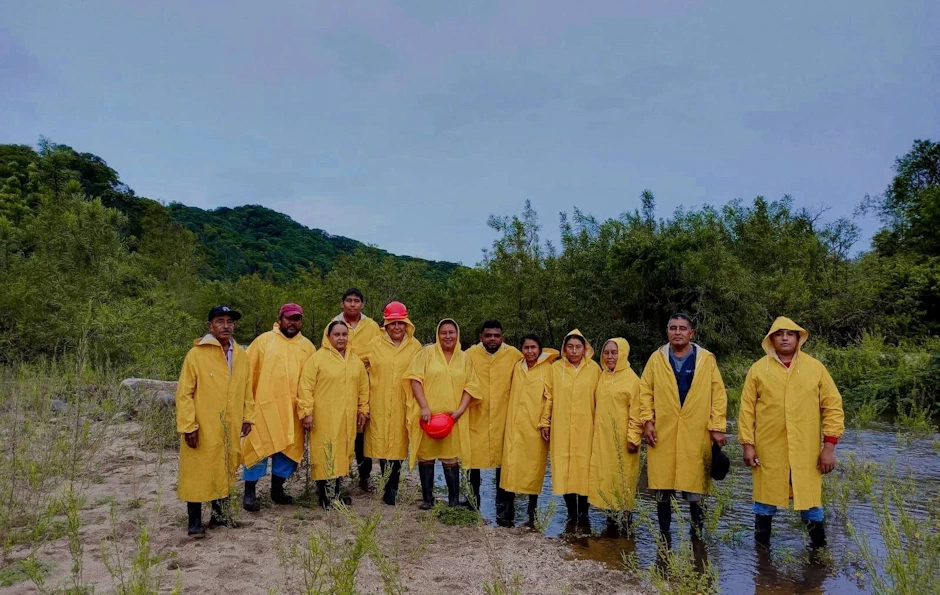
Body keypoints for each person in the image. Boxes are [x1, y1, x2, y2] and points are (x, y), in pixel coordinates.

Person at [738, 316, 844, 549]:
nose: (784, 338)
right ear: (771, 339)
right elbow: (746, 411)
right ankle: (762, 559)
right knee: (765, 502)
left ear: (799, 338)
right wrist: (748, 444)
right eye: (779, 334)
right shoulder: (758, 369)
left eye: (790, 333)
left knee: (811, 503)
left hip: (806, 451)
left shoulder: (815, 368)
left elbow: (833, 406)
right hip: (768, 449)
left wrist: (829, 447)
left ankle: (817, 558)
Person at [640, 313, 728, 547]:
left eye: (682, 328)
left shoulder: (706, 359)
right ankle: (664, 535)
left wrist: (717, 427)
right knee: (662, 484)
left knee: (696, 485)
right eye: (672, 328)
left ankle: (696, 538)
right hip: (663, 431)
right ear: (667, 332)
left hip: (696, 431)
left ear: (692, 333)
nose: (677, 332)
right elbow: (645, 392)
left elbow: (718, 395)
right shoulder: (656, 359)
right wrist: (647, 422)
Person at [175, 306, 254, 536]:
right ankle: (195, 521)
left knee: (226, 465)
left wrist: (248, 416)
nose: (226, 325)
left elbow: (247, 389)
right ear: (210, 326)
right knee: (197, 471)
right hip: (203, 424)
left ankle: (220, 517)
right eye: (220, 321)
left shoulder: (240, 355)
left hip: (230, 424)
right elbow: (184, 393)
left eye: (230, 321)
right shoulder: (196, 354)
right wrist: (188, 426)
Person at [240, 303, 316, 511]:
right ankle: (249, 493)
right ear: (280, 318)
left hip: (293, 409)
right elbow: (246, 373)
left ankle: (277, 490)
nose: (292, 323)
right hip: (264, 407)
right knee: (257, 447)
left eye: (297, 319)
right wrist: (245, 407)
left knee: (287, 449)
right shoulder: (264, 341)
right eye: (289, 318)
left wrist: (307, 409)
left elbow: (311, 380)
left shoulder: (308, 347)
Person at [404, 319, 481, 509]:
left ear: (457, 334)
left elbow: (471, 386)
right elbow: (415, 379)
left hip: (452, 418)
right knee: (426, 456)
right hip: (428, 416)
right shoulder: (426, 354)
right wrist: (424, 406)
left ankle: (453, 501)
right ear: (438, 335)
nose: (447, 336)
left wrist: (460, 411)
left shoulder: (465, 358)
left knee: (450, 457)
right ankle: (428, 500)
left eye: (451, 332)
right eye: (443, 332)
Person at [300, 320, 370, 508]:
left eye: (344, 334)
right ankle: (325, 496)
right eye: (336, 334)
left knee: (342, 452)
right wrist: (307, 412)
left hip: (347, 416)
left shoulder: (355, 360)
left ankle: (337, 493)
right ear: (328, 337)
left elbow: (364, 387)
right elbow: (305, 387)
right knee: (325, 452)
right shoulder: (317, 359)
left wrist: (363, 409)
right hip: (324, 416)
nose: (341, 338)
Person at [360, 302, 423, 505]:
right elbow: (357, 365)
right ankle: (385, 485)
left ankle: (392, 487)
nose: (397, 327)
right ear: (385, 325)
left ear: (407, 324)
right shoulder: (374, 344)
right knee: (380, 443)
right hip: (378, 400)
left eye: (401, 323)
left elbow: (425, 373)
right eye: (392, 323)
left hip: (404, 401)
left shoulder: (416, 347)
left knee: (398, 443)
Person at [322, 288, 381, 492]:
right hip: (338, 384)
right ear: (342, 303)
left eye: (357, 301)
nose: (353, 304)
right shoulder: (334, 324)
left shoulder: (372, 326)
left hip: (365, 381)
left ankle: (364, 476)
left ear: (363, 304)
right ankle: (334, 475)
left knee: (362, 429)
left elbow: (379, 352)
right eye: (349, 300)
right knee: (338, 429)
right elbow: (326, 352)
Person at [499, 334, 559, 527]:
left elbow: (549, 398)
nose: (530, 351)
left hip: (534, 427)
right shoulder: (518, 367)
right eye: (526, 347)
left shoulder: (548, 369)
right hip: (514, 425)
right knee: (510, 466)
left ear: (539, 349)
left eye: (533, 347)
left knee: (533, 467)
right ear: (522, 349)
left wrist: (544, 422)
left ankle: (531, 511)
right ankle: (509, 509)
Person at [465, 320, 523, 514]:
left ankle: (504, 500)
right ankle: (472, 500)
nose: (492, 339)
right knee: (471, 459)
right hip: (476, 415)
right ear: (481, 337)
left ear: (502, 337)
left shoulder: (515, 355)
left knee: (505, 460)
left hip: (504, 415)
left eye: (496, 336)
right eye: (488, 335)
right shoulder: (469, 355)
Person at [589, 338, 643, 534]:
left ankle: (627, 525)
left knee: (623, 479)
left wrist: (634, 437)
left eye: (614, 352)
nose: (610, 356)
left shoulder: (633, 380)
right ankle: (611, 523)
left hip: (624, 440)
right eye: (606, 352)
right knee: (606, 478)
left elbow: (638, 412)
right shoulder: (602, 376)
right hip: (603, 438)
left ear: (623, 354)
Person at [550, 329, 601, 527]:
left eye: (578, 347)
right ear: (564, 348)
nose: (573, 351)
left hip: (586, 426)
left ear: (584, 348)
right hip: (561, 426)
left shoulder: (594, 369)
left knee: (584, 469)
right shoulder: (555, 369)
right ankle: (571, 512)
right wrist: (545, 421)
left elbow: (600, 398)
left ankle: (584, 513)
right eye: (570, 347)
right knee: (565, 469)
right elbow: (549, 396)